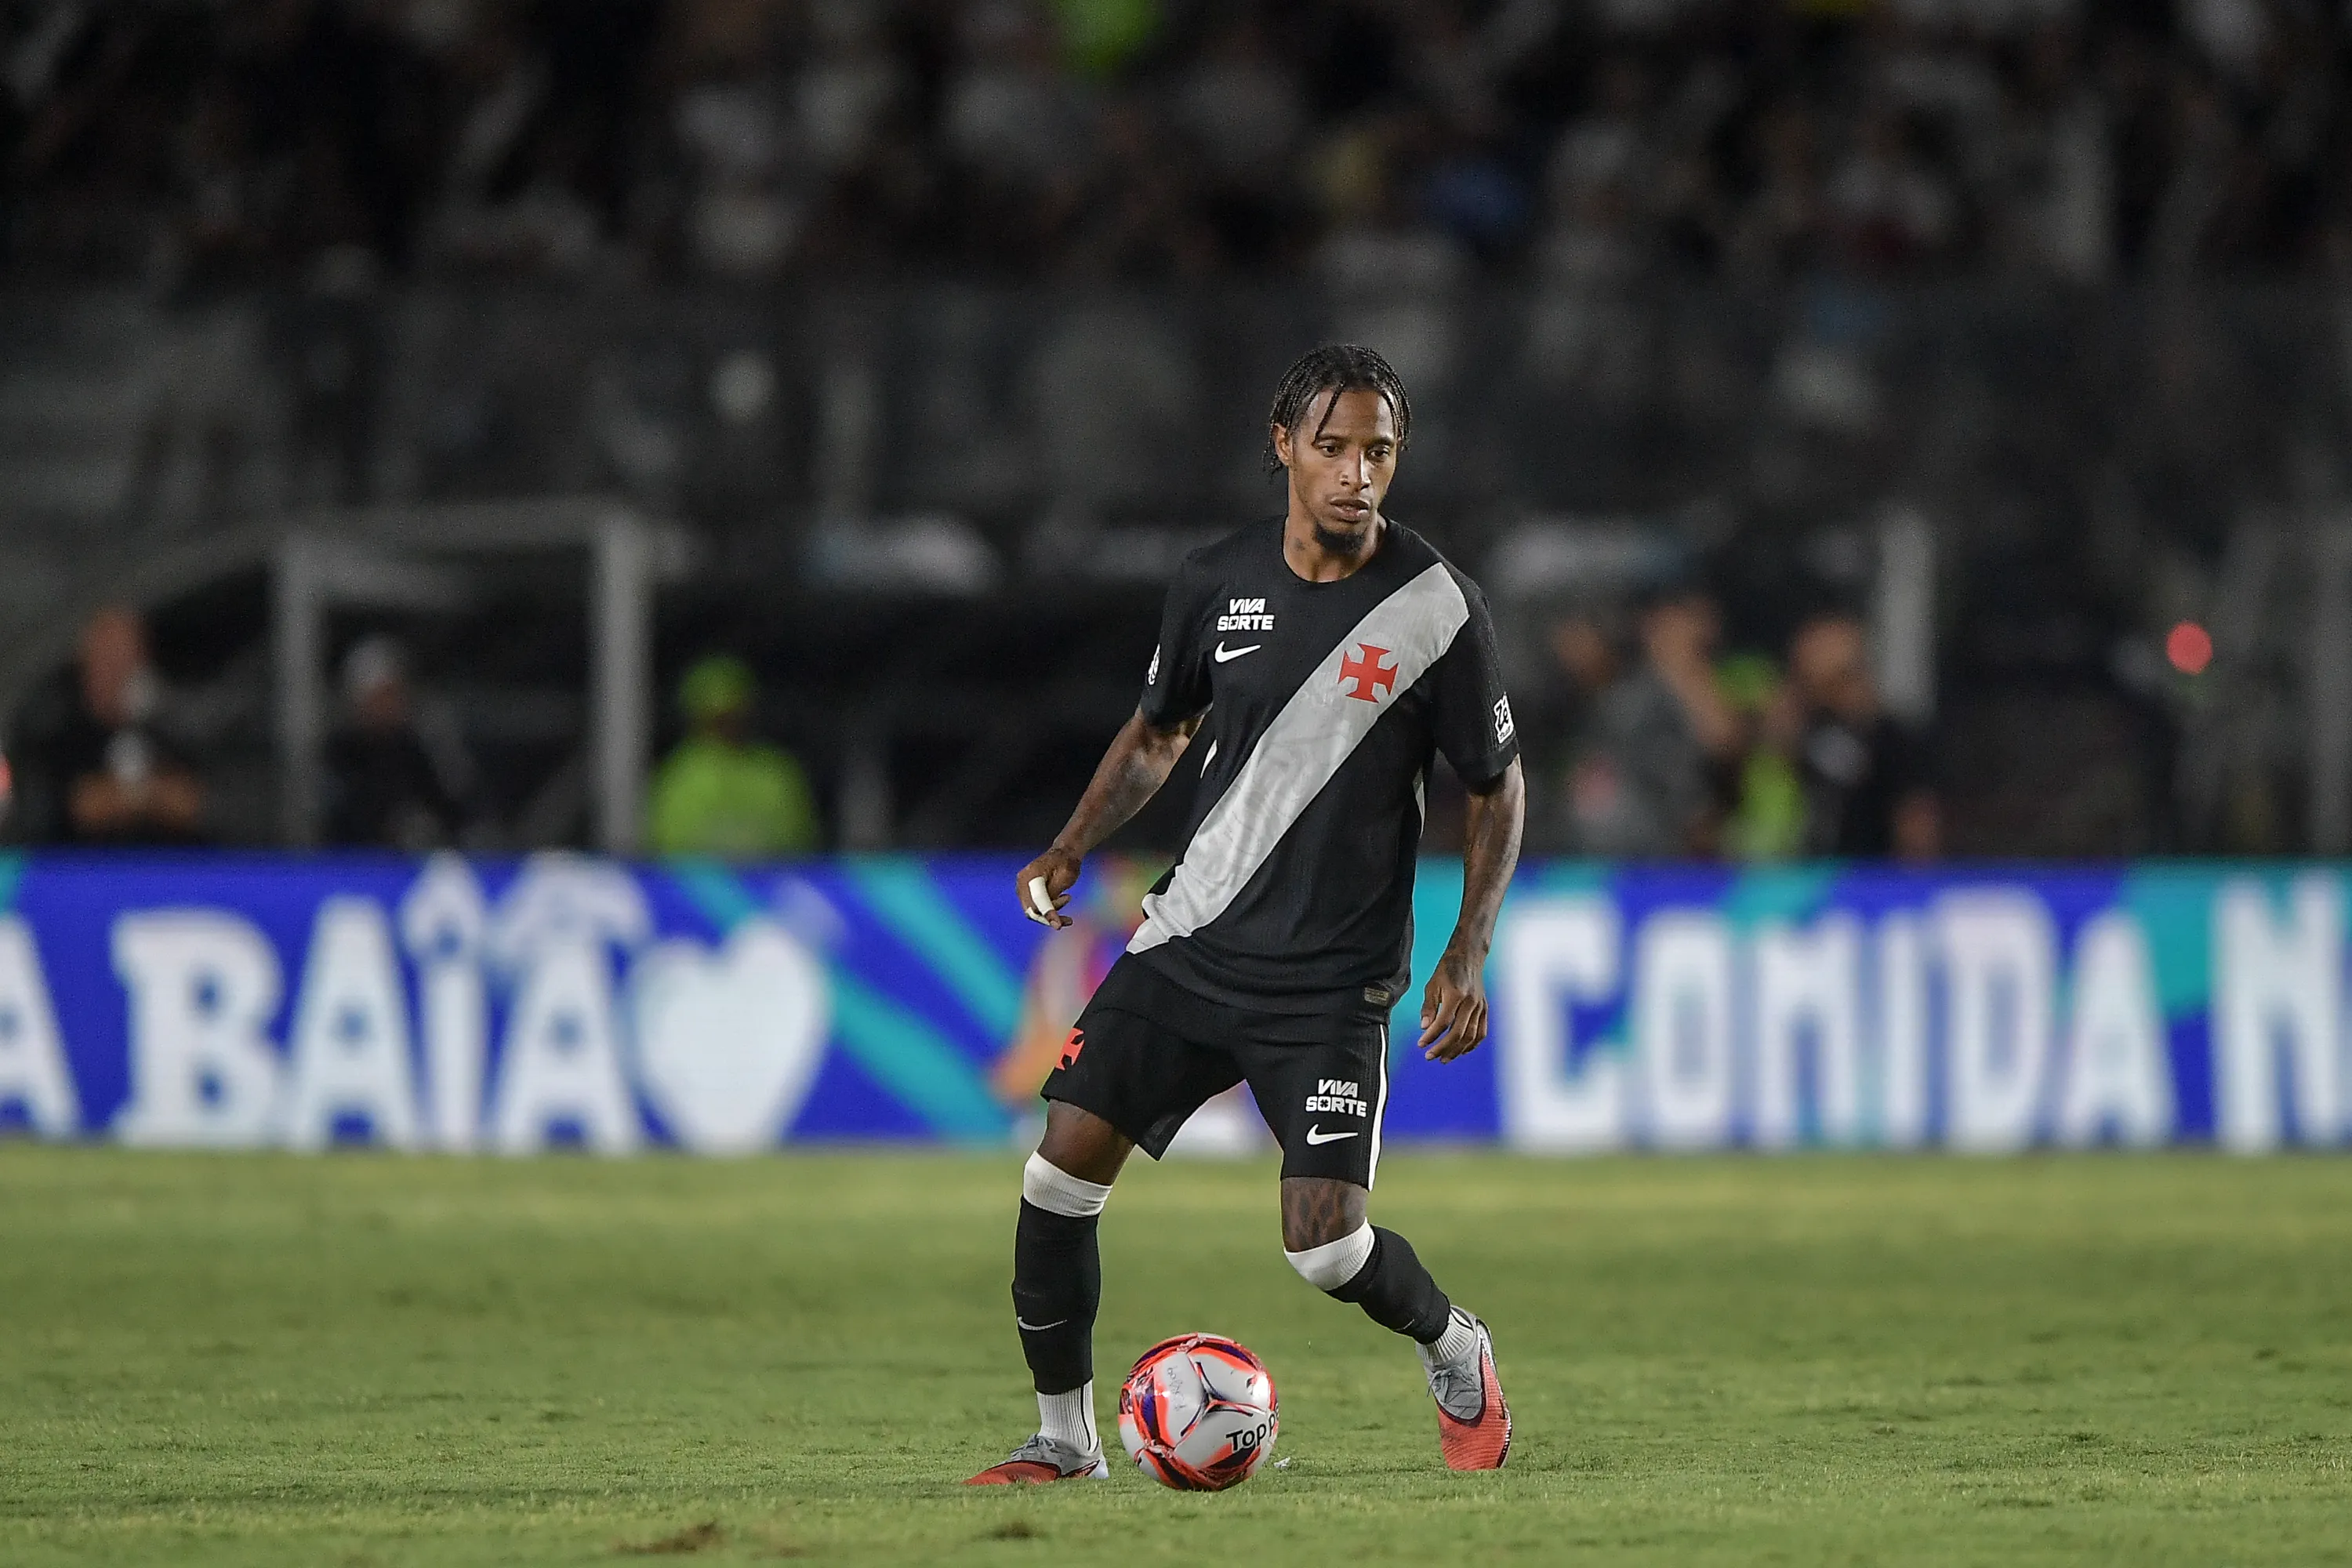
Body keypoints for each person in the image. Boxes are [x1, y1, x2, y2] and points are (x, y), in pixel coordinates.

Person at [967, 345, 1525, 1485]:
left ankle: (1453, 1343)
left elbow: (1497, 784)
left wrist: (1467, 950)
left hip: (1330, 982)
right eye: (1334, 446)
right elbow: (1158, 732)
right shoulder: (1215, 581)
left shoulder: (1436, 607)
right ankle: (1066, 1441)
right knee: (1057, 1175)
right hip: (1191, 941)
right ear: (1284, 446)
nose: (1357, 473)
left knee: (1325, 1247)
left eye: (1379, 451)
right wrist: (1074, 842)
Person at [33, 608, 205, 846]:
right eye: (108, 658)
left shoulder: (167, 729)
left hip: (163, 862)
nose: (117, 671)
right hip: (82, 863)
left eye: (126, 657)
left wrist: (122, 797)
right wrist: (152, 796)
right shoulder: (57, 729)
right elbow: (82, 807)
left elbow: (188, 802)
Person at [1786, 611, 1940, 859]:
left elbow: (1916, 828)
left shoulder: (1894, 741)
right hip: (1793, 873)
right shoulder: (1796, 731)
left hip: (1865, 873)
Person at [644, 655, 820, 858]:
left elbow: (802, 846)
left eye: (736, 714)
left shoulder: (777, 773)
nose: (730, 725)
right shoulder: (678, 777)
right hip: (698, 879)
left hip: (770, 879)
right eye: (718, 718)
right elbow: (664, 853)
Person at [324, 638, 470, 850]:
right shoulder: (340, 754)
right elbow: (340, 817)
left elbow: (453, 806)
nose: (390, 705)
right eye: (381, 697)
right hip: (356, 857)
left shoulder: (415, 748)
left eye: (395, 694)